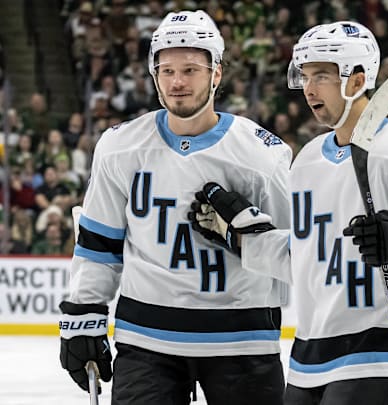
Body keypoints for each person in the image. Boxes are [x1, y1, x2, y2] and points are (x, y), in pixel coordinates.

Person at [189, 21, 388, 405]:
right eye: (304, 76)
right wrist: (241, 236)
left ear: (356, 80)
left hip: (382, 356)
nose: (309, 88)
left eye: (321, 75)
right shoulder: (307, 160)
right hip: (310, 359)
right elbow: (306, 260)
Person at [58, 10, 291, 404]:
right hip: (146, 340)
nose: (177, 82)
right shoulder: (120, 147)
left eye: (191, 69)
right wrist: (83, 317)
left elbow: (294, 259)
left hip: (241, 340)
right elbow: (99, 243)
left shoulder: (263, 155)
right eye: (166, 71)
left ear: (216, 74)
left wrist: (246, 238)